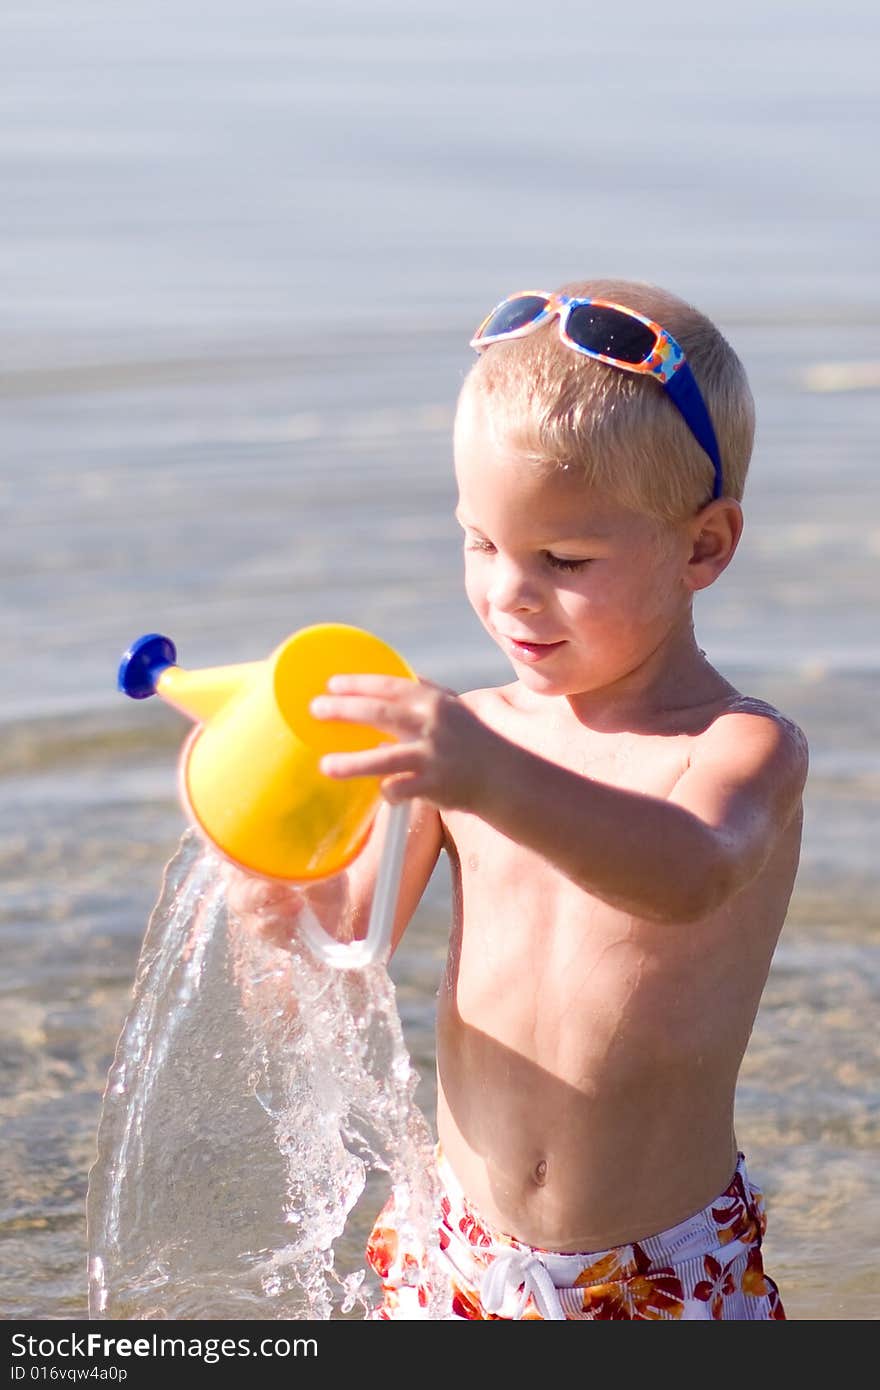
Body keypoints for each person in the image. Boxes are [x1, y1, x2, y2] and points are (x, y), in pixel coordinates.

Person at [226, 278, 807, 1320]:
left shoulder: (739, 747)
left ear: (703, 546)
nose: (507, 593)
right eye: (479, 542)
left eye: (562, 559)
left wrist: (485, 775)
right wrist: (260, 876)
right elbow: (329, 969)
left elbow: (688, 870)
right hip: (452, 1242)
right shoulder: (466, 742)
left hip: (660, 1268)